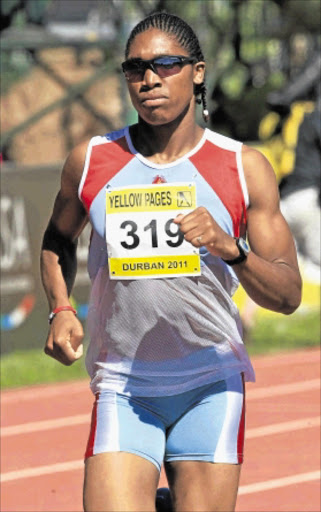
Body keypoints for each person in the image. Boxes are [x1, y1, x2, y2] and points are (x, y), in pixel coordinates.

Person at [40, 11, 302, 512]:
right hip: (124, 384)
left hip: (209, 381)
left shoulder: (242, 167)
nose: (149, 79)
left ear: (198, 72)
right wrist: (60, 309)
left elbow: (288, 295)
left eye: (166, 64)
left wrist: (233, 250)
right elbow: (57, 239)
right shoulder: (92, 161)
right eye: (135, 68)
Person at [280, 105, 321, 275]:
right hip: (308, 199)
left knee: (288, 269)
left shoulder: (291, 121)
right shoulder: (315, 120)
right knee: (317, 265)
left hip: (285, 201)